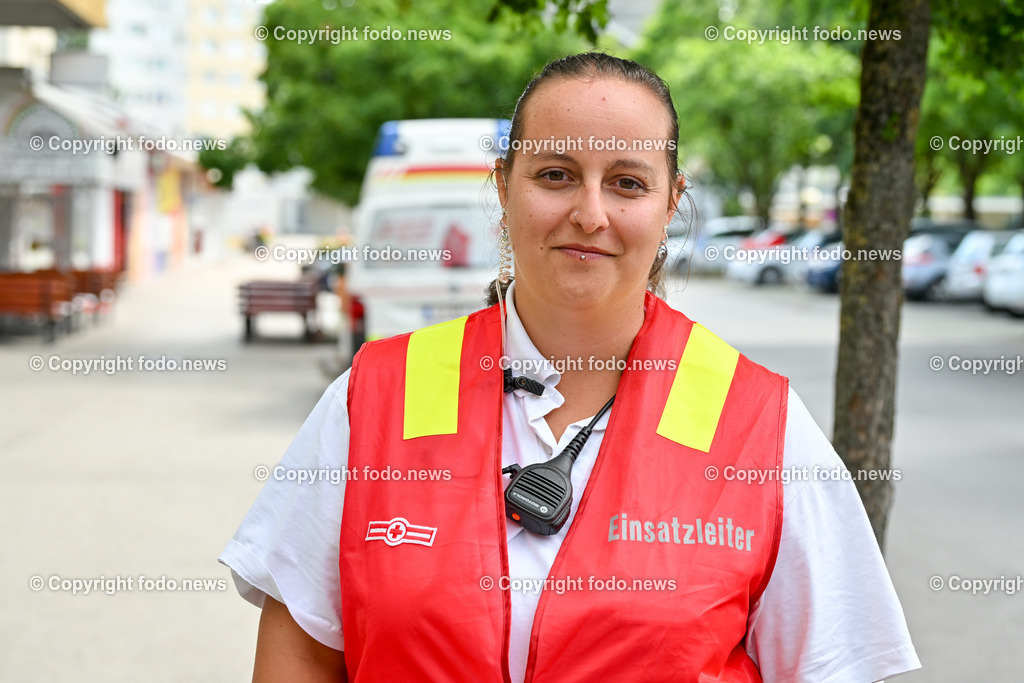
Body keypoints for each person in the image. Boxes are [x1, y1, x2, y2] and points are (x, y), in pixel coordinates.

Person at [220, 52, 921, 682]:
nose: (590, 213)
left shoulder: (757, 424)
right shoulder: (373, 400)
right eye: (555, 175)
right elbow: (302, 652)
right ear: (503, 186)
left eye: (627, 182)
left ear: (671, 202)